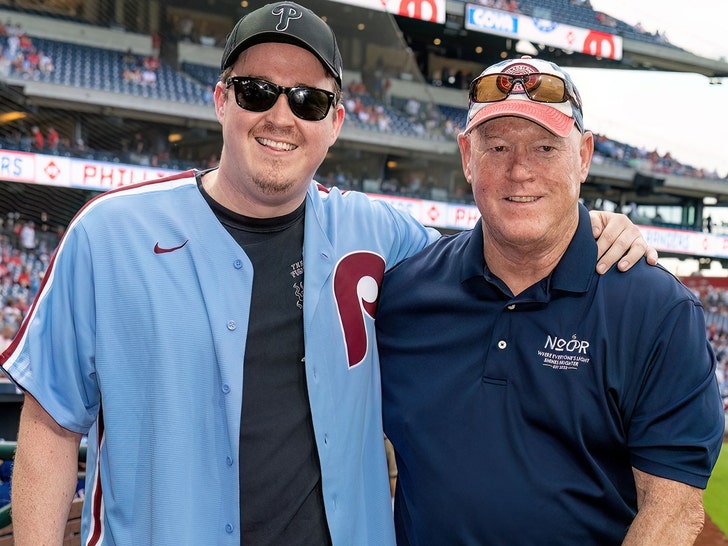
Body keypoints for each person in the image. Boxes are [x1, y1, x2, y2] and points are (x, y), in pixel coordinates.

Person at [1, 5, 654, 545]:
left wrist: (594, 226)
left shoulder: (384, 236)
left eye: (310, 100)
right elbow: (52, 423)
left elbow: (504, 257)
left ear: (336, 122)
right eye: (258, 91)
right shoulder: (108, 233)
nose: (282, 116)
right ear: (222, 99)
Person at [376, 57, 725, 545]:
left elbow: (672, 514)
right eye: (497, 147)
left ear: (582, 156)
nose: (520, 171)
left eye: (545, 147)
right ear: (467, 157)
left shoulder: (657, 311)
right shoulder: (404, 293)